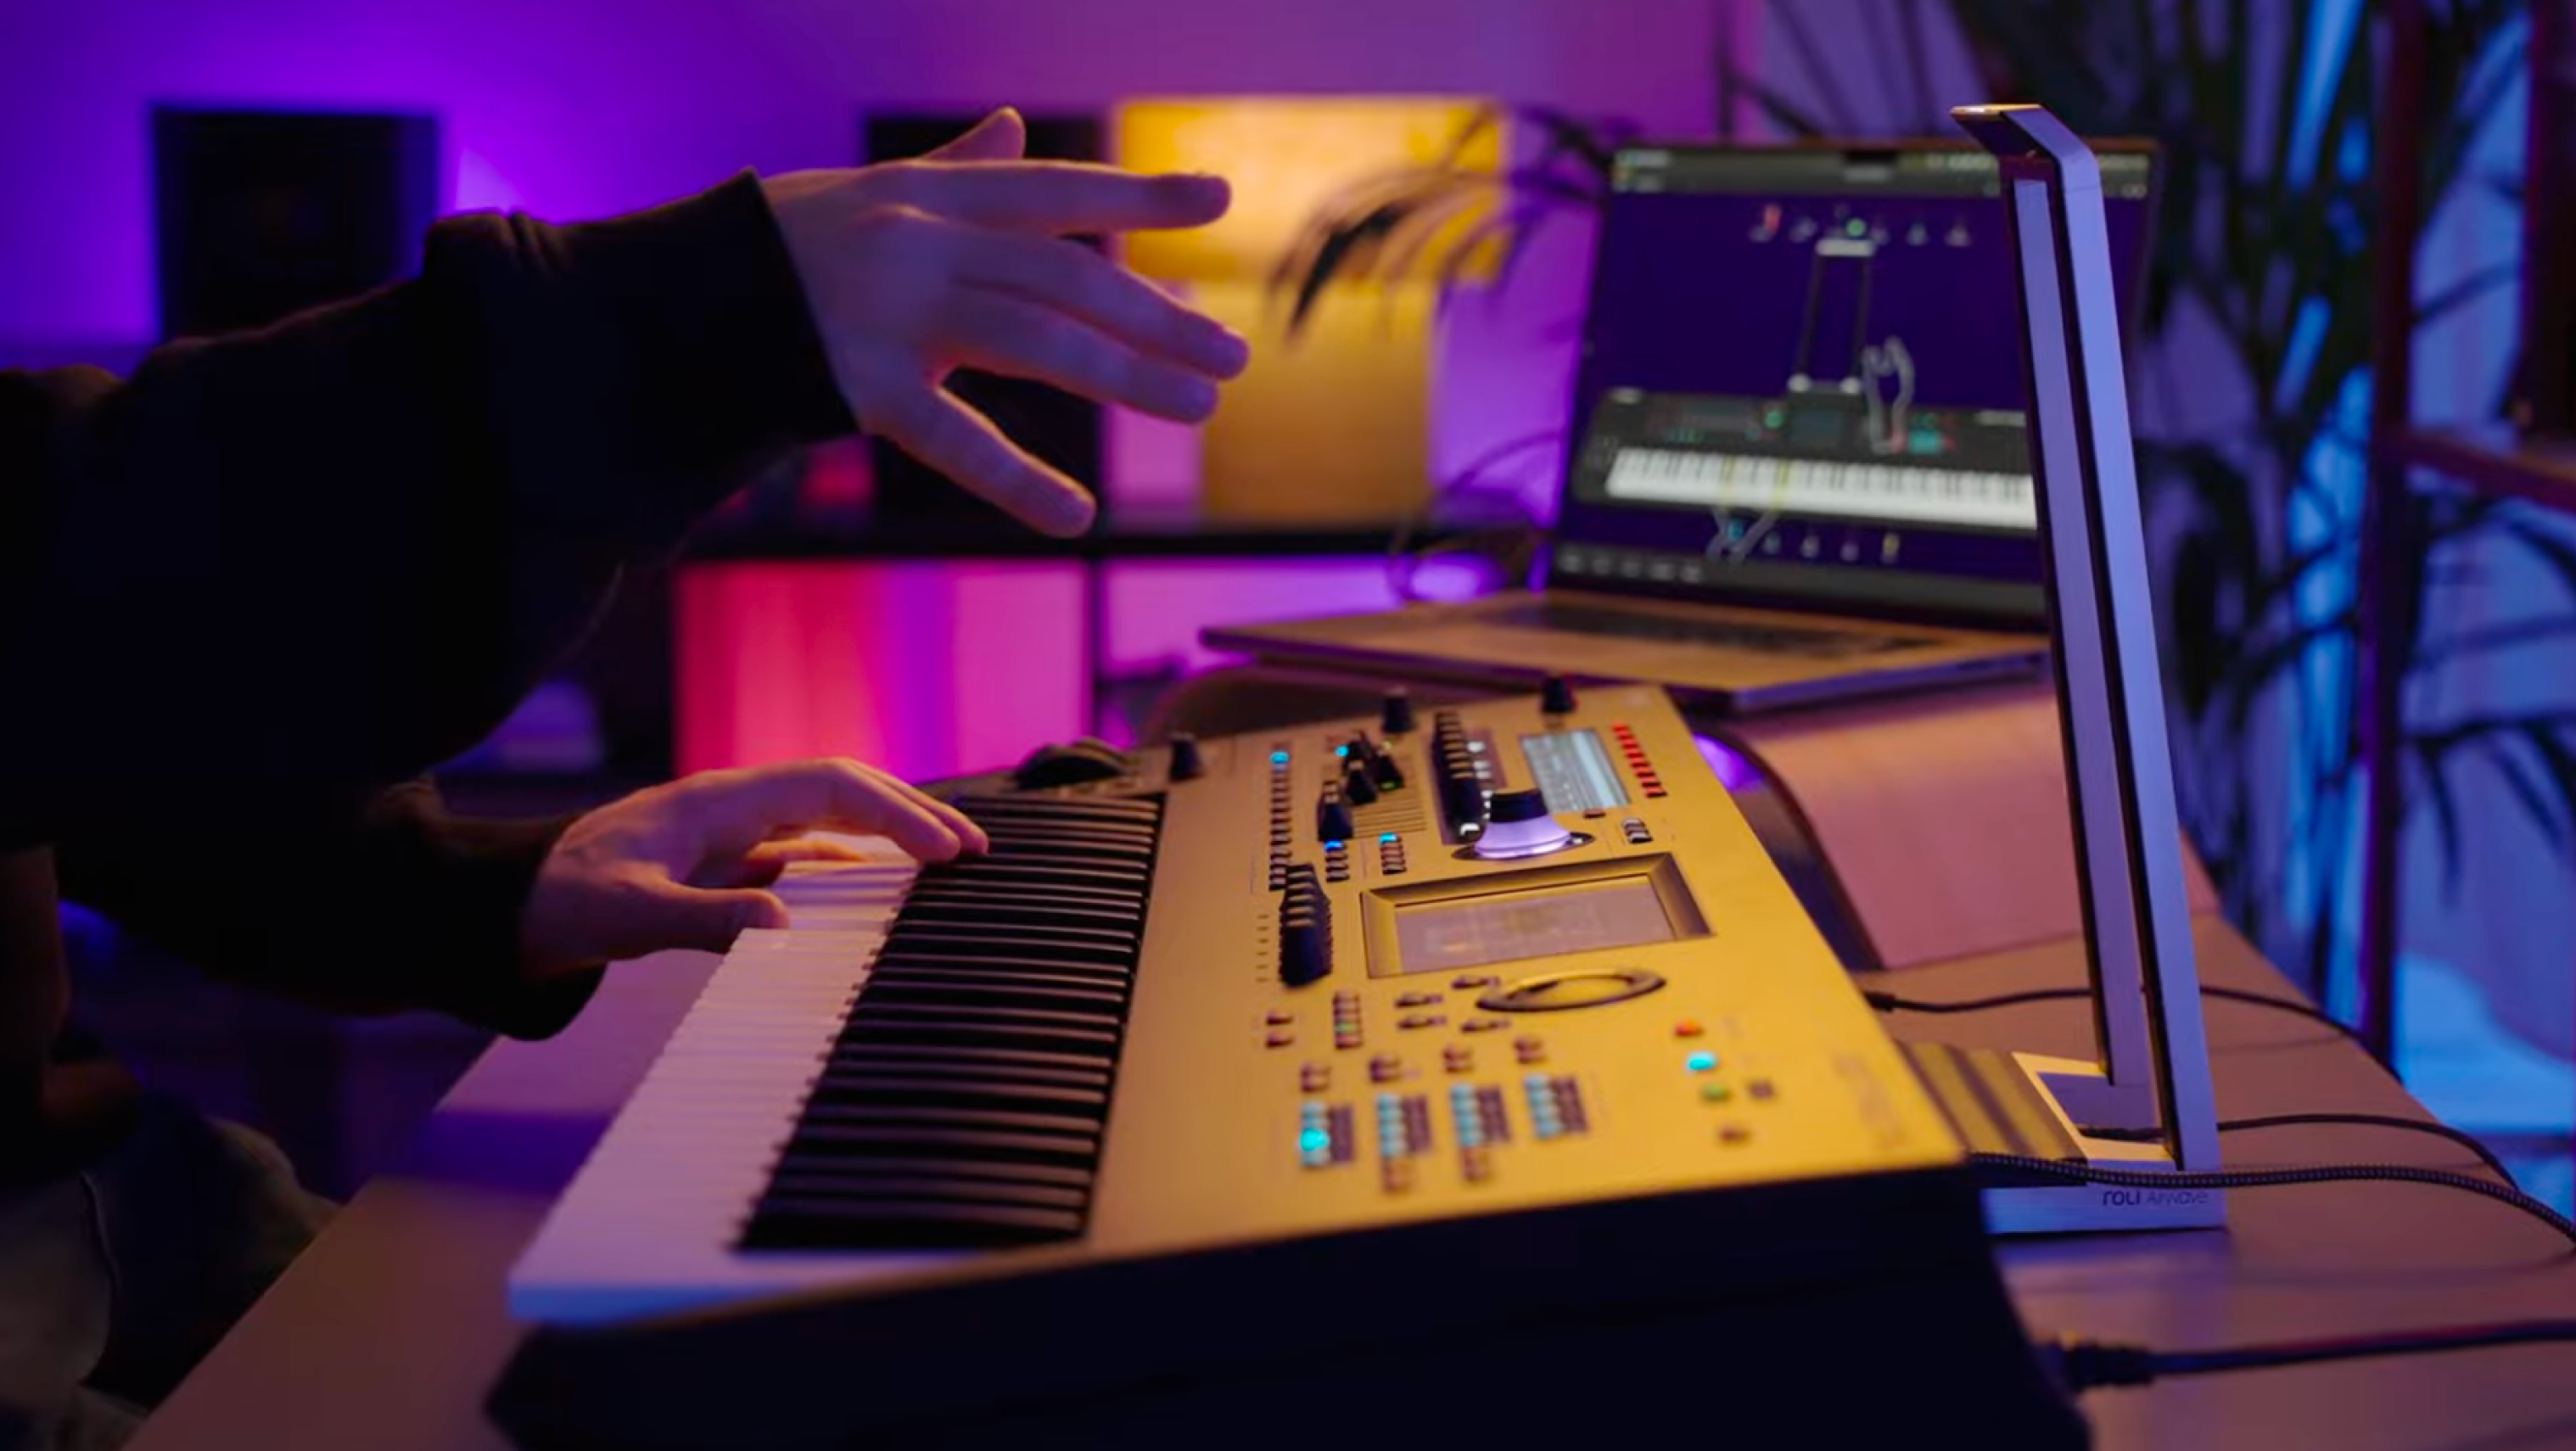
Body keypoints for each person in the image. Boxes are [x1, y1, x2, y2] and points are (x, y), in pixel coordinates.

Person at [0, 107, 1249, 1448]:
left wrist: (486, 888)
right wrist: (685, 325)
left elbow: (62, 724)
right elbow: (61, 555)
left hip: (111, 1187)